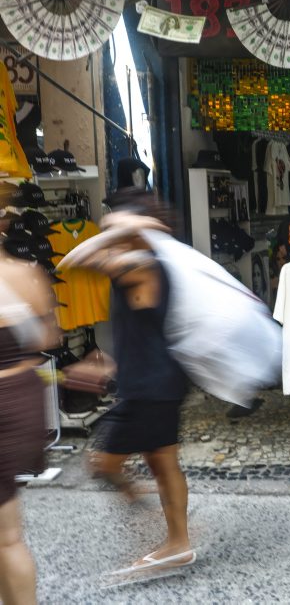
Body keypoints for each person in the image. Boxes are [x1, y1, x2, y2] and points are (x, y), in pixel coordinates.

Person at [76, 189, 196, 576]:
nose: (108, 230)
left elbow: (79, 258)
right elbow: (143, 332)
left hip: (151, 386)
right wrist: (111, 365)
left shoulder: (142, 264)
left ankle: (174, 538)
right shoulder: (143, 263)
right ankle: (176, 540)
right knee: (162, 462)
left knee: (104, 463)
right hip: (152, 380)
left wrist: (126, 227)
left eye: (117, 225)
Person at [0, 189, 59, 605]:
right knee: (7, 536)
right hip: (20, 400)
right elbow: (46, 340)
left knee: (6, 537)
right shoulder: (26, 273)